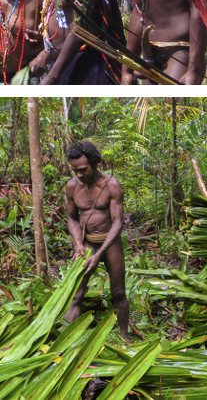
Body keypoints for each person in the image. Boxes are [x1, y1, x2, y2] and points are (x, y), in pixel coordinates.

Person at [63, 141, 130, 343]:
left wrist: (99, 254)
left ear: (96, 164)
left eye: (83, 170)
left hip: (110, 243)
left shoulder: (112, 185)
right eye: (75, 170)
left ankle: (124, 337)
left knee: (118, 292)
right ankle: (66, 339)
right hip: (87, 243)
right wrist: (78, 244)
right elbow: (72, 218)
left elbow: (118, 222)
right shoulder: (72, 186)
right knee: (76, 292)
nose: (79, 175)